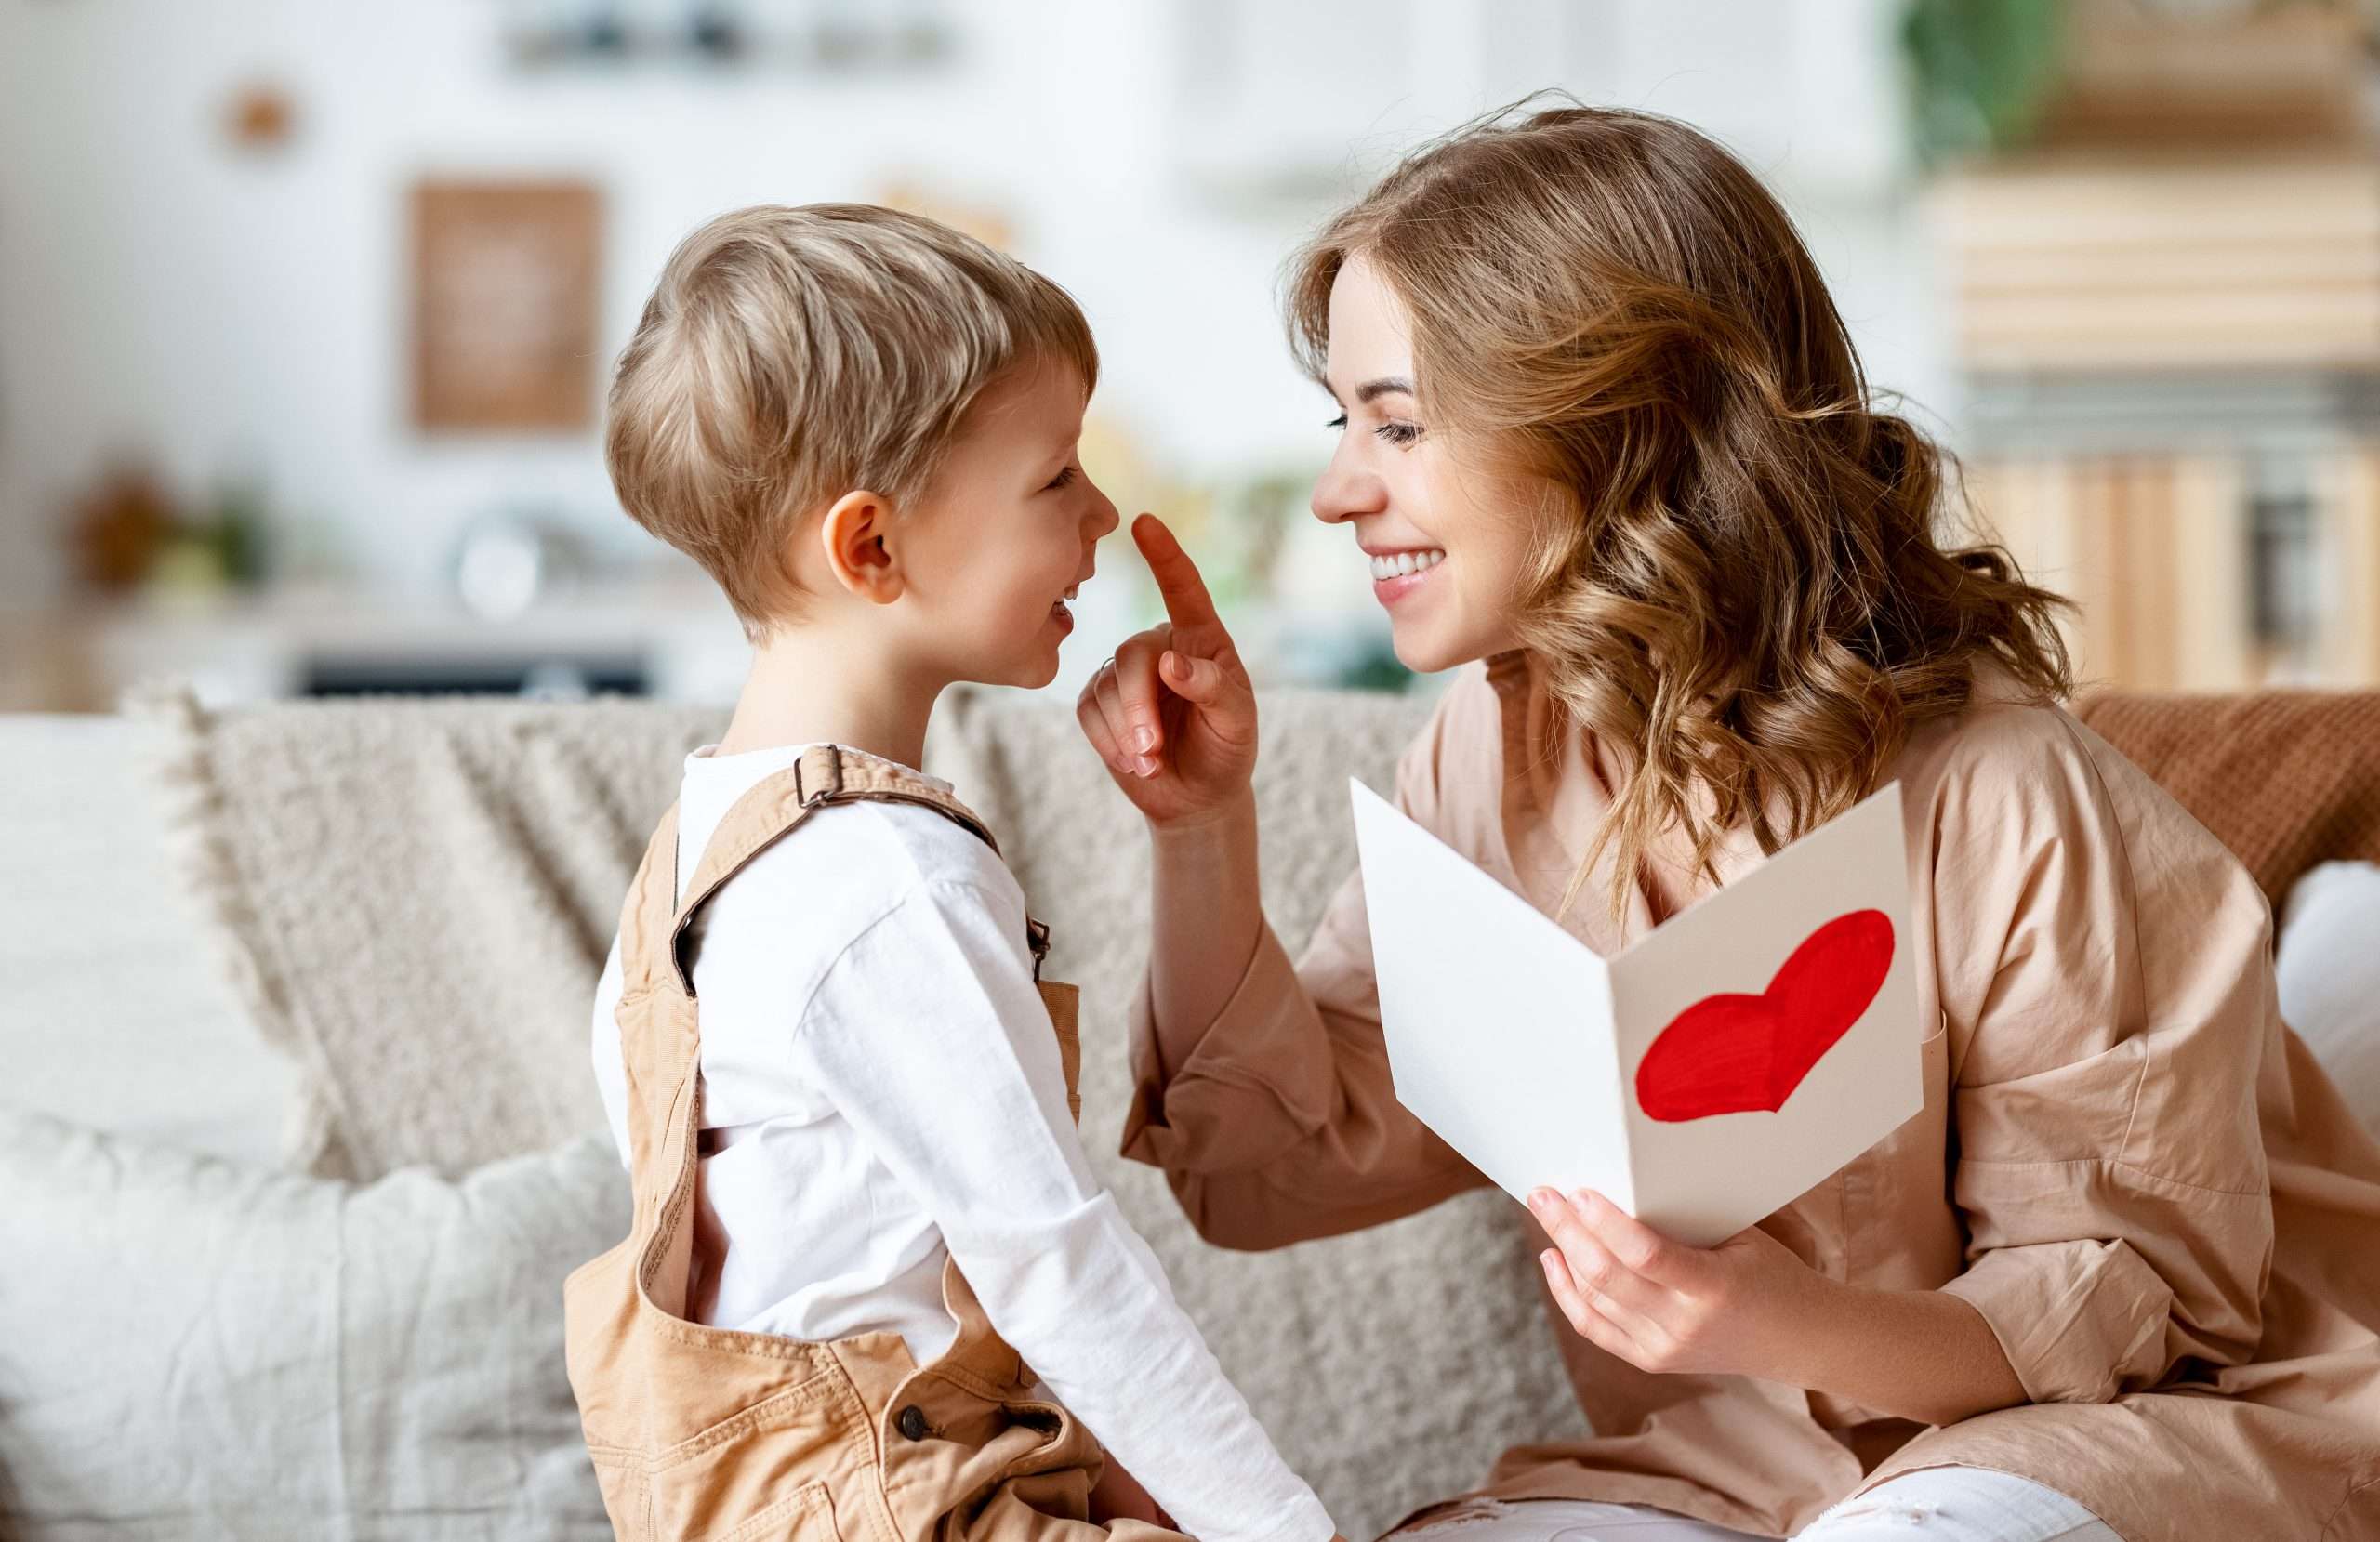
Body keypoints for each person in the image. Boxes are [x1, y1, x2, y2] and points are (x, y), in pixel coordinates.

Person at [1078, 103, 2380, 1541]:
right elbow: (1271, 1174)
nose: (1339, 491)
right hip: (1736, 1482)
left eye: (1398, 423)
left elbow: (2116, 1317)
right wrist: (1198, 829)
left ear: (1622, 423)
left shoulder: (2009, 790)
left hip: (2114, 1445)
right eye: (1346, 424)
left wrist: (1765, 1318)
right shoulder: (1489, 757)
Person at [567, 203, 1338, 1542]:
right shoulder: (883, 879)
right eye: (1055, 479)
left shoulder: (696, 857)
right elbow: (1056, 1261)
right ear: (872, 547)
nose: (1103, 512)